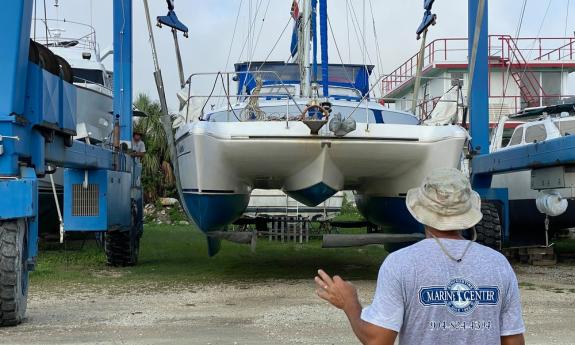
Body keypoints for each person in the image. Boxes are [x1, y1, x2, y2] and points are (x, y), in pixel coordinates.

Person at [315, 168, 525, 345]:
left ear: (420, 210)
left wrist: (350, 303)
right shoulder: (498, 264)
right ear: (468, 211)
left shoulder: (401, 263)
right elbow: (513, 340)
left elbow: (377, 340)